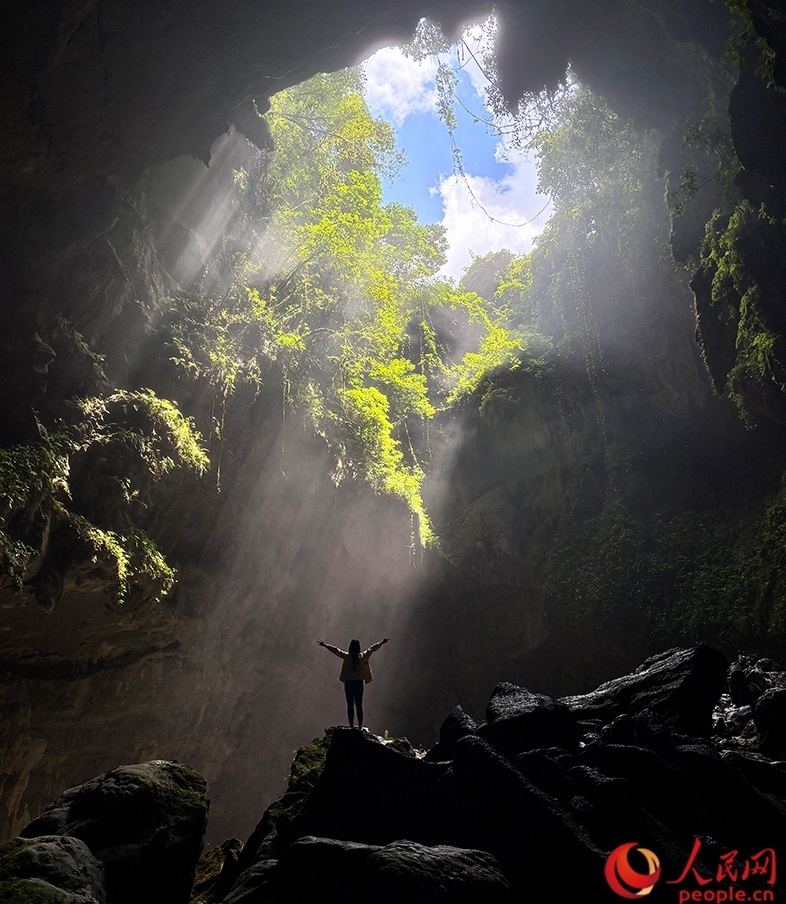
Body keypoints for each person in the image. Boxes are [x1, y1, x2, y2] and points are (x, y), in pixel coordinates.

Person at [317, 636, 390, 729]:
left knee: (350, 704)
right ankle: (360, 725)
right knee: (359, 704)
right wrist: (382, 642)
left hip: (349, 683)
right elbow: (372, 649)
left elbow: (336, 651)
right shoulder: (363, 657)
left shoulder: (347, 657)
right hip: (359, 683)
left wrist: (325, 645)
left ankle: (351, 724)